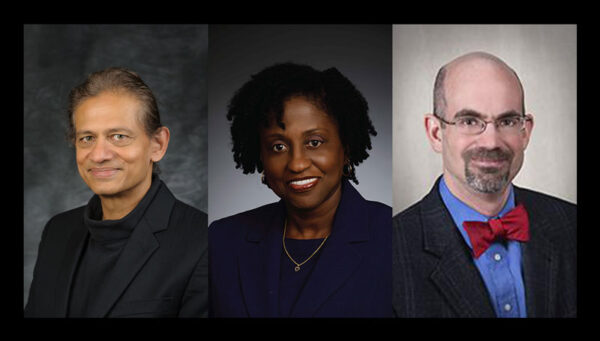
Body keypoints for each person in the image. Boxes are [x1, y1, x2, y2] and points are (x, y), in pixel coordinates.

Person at [392, 52, 576, 318]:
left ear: (525, 132)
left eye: (507, 121)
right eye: (469, 121)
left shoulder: (570, 225)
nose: (491, 142)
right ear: (435, 133)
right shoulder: (387, 254)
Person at [209, 63, 391, 317]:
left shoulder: (393, 236)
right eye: (278, 147)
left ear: (345, 147)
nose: (297, 163)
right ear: (260, 155)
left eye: (314, 142)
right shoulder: (222, 241)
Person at [25, 67, 208, 317]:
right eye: (87, 138)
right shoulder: (57, 231)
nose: (99, 155)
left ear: (158, 144)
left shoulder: (203, 242)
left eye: (119, 136)